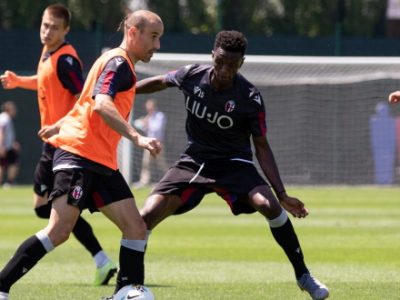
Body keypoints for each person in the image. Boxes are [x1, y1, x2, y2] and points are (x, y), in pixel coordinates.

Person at [135, 30, 330, 300]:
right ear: (212, 55)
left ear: (242, 63)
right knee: (145, 217)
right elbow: (161, 81)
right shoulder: (192, 75)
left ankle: (304, 276)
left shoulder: (249, 97)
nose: (225, 70)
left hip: (234, 164)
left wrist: (282, 194)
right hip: (194, 160)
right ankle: (130, 287)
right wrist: (126, 92)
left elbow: (261, 145)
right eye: (221, 62)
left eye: (233, 65)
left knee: (269, 205)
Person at [0, 9, 163, 300]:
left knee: (136, 227)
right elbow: (101, 104)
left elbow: (83, 105)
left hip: (99, 160)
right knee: (58, 231)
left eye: (159, 38)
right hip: (79, 155)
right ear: (133, 32)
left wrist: (57, 125)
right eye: (153, 37)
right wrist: (137, 136)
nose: (157, 45)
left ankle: (125, 292)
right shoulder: (118, 63)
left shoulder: (113, 60)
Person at [133, 98, 168, 188]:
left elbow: (158, 128)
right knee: (146, 163)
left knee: (161, 164)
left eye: (150, 107)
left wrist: (147, 123)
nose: (148, 109)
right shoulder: (149, 117)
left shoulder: (160, 116)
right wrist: (142, 124)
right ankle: (144, 181)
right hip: (149, 143)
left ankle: (167, 180)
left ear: (154, 107)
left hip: (158, 143)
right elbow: (145, 129)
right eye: (147, 107)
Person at [0, 101, 20, 188]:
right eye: (13, 109)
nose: (15, 111)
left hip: (8, 146)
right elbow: (1, 132)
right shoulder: (4, 118)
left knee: (13, 163)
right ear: (8, 109)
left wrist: (13, 143)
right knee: (2, 165)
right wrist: (1, 146)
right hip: (4, 147)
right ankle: (9, 183)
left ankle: (9, 182)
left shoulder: (6, 118)